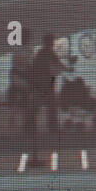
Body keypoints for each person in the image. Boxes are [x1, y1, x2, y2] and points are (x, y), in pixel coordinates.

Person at [27, 34, 67, 163]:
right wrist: (67, 68)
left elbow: (34, 67)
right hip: (46, 84)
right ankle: (52, 126)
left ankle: (31, 123)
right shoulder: (49, 53)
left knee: (38, 105)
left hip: (38, 83)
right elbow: (58, 64)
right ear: (50, 42)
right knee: (51, 105)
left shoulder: (40, 53)